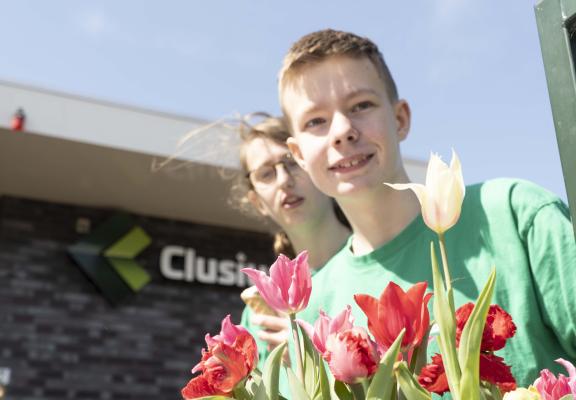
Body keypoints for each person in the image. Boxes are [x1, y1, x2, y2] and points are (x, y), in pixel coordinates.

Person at [280, 29, 576, 387]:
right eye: (316, 121)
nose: (342, 130)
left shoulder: (515, 215)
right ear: (298, 154)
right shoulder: (313, 310)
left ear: (401, 118)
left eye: (361, 105)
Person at [231, 114, 351, 371]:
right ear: (257, 202)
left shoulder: (373, 260)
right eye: (266, 174)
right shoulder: (258, 316)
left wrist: (309, 359)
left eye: (291, 162)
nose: (284, 179)